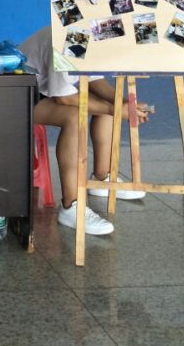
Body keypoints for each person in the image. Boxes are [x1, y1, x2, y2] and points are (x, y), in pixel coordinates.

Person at [19, 26, 151, 236]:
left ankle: (101, 178)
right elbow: (64, 98)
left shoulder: (96, 34)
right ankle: (71, 206)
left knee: (109, 103)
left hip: (46, 92)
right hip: (21, 96)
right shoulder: (68, 38)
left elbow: (92, 79)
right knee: (73, 116)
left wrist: (123, 103)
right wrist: (116, 109)